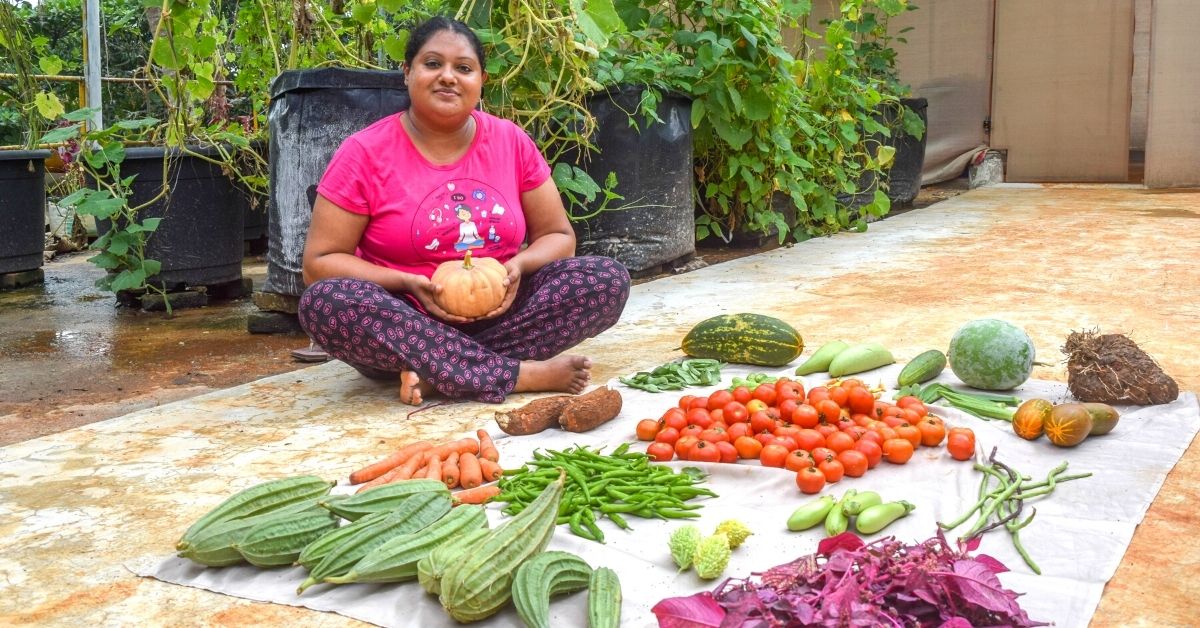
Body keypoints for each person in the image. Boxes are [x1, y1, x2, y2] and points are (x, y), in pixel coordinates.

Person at [298, 16, 631, 405]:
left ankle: (442, 374)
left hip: (501, 312)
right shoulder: (364, 152)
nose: (448, 77)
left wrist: (518, 268)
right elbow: (319, 263)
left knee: (604, 279)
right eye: (433, 63)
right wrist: (406, 283)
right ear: (407, 72)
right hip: (406, 323)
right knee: (326, 303)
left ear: (481, 81)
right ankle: (513, 374)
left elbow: (559, 236)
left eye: (463, 68)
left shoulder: (510, 141)